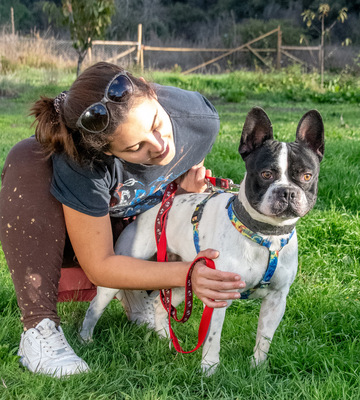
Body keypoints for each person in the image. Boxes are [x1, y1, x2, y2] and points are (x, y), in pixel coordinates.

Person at [0, 62, 245, 378]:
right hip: (64, 237)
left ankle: (136, 293)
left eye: (156, 123)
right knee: (29, 154)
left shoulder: (200, 120)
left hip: (131, 229)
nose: (160, 146)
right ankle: (39, 330)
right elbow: (98, 264)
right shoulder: (83, 161)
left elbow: (181, 164)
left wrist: (182, 192)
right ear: (106, 152)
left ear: (148, 87)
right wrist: (188, 274)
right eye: (136, 148)